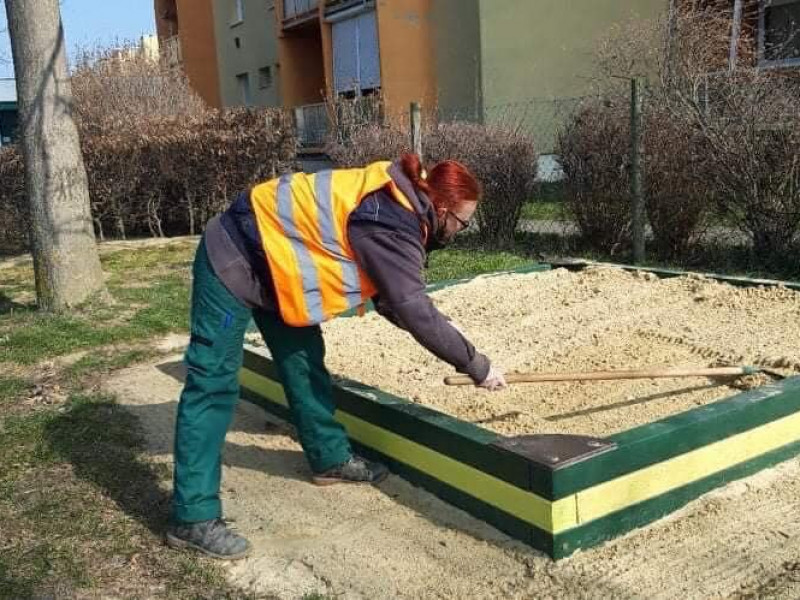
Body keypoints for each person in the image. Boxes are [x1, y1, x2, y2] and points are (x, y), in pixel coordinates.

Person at [166, 153, 507, 560]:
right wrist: (476, 365)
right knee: (213, 382)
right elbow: (413, 308)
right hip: (234, 257)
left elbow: (395, 301)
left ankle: (329, 458)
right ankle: (193, 516)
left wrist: (455, 339)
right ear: (442, 207)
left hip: (281, 268)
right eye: (462, 223)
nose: (459, 232)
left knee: (304, 361)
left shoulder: (401, 202)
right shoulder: (389, 220)